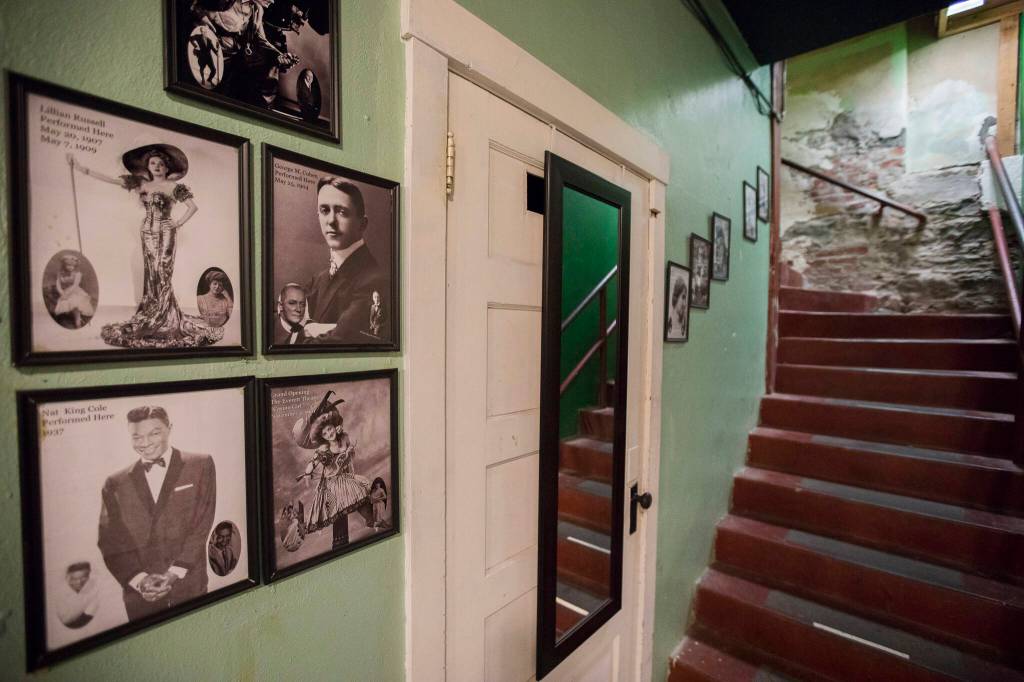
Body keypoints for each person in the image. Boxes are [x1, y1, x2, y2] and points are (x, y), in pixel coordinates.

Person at [68, 145, 223, 349]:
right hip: (146, 232)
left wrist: (178, 223)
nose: (157, 166)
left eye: (161, 164)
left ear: (167, 168)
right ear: (148, 166)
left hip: (166, 232)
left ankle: (166, 316)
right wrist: (81, 168)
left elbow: (193, 207)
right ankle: (153, 312)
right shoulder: (141, 183)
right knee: (151, 274)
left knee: (163, 270)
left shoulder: (174, 187)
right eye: (153, 163)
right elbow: (112, 180)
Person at [97, 406, 216, 621]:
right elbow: (110, 541)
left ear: (170, 428)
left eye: (154, 433)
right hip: (141, 597)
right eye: (136, 437)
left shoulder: (201, 464)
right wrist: (140, 580)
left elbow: (202, 526)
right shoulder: (114, 483)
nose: (145, 443)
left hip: (189, 587)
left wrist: (173, 573)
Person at [303, 178, 389, 344]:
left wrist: (308, 329)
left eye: (342, 212)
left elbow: (334, 344)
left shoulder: (372, 280)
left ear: (362, 224)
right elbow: (281, 321)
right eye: (324, 210)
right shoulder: (319, 279)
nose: (331, 221)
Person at [293, 392, 371, 548]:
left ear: (334, 426)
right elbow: (313, 462)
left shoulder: (344, 437)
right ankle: (339, 543)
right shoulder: (323, 448)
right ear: (321, 436)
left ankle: (372, 519)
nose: (329, 433)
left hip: (344, 478)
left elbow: (349, 453)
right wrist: (307, 472)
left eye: (330, 429)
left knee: (357, 497)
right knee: (338, 509)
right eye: (325, 433)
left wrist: (348, 451)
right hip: (331, 484)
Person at [191, 0, 299, 107]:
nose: (272, 1)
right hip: (201, 50)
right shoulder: (229, 2)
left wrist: (279, 54)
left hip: (224, 63)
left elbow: (261, 39)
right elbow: (196, 8)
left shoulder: (257, 10)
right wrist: (202, 19)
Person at [50, 253, 95, 329]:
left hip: (75, 290)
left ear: (75, 266)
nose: (70, 267)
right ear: (64, 265)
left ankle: (78, 320)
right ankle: (74, 316)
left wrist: (67, 294)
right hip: (64, 291)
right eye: (68, 265)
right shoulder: (60, 273)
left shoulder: (78, 274)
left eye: (72, 265)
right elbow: (58, 284)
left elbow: (75, 285)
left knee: (75, 301)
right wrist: (62, 293)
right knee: (66, 302)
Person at [54, 562, 101, 629]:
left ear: (89, 576)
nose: (79, 582)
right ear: (68, 579)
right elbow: (65, 620)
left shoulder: (93, 588)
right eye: (74, 579)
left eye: (83, 577)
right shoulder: (62, 594)